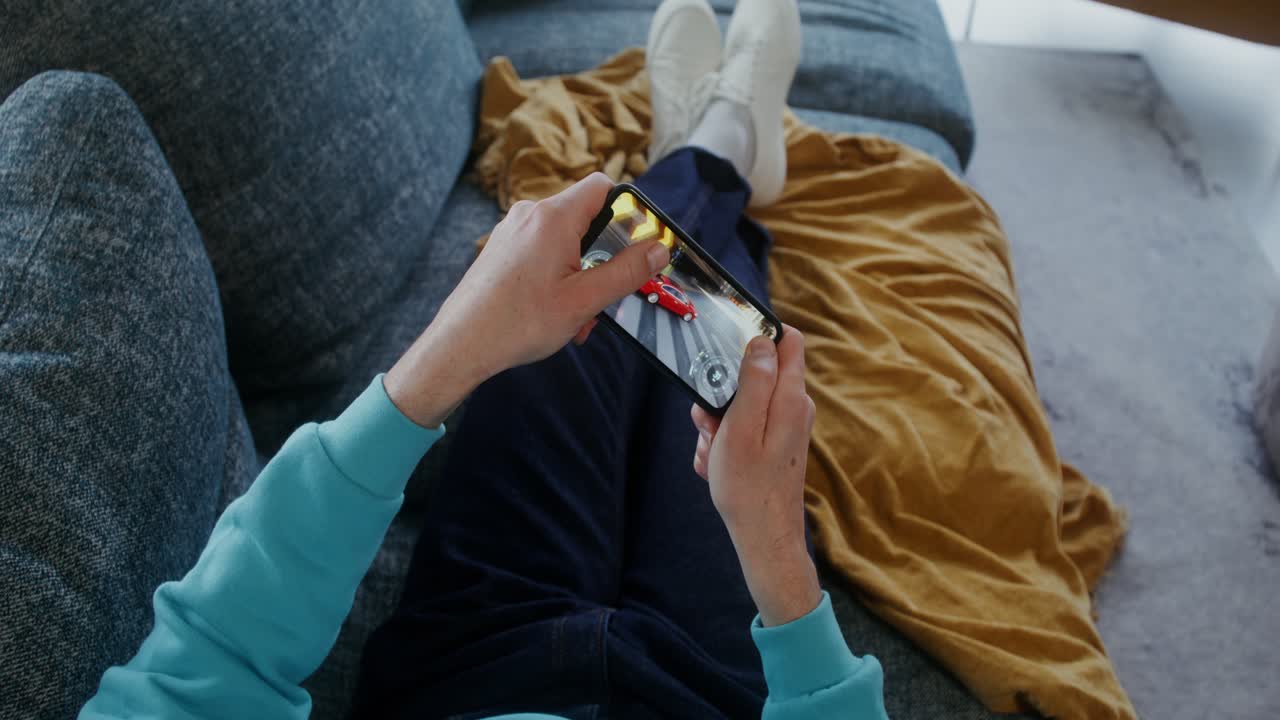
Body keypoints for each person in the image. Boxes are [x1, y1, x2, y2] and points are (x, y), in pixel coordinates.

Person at [79, 1, 888, 718]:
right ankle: (724, 142)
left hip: (465, 671)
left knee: (595, 294)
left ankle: (709, 146)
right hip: (705, 695)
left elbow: (209, 664)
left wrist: (446, 355)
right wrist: (781, 560)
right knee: (731, 369)